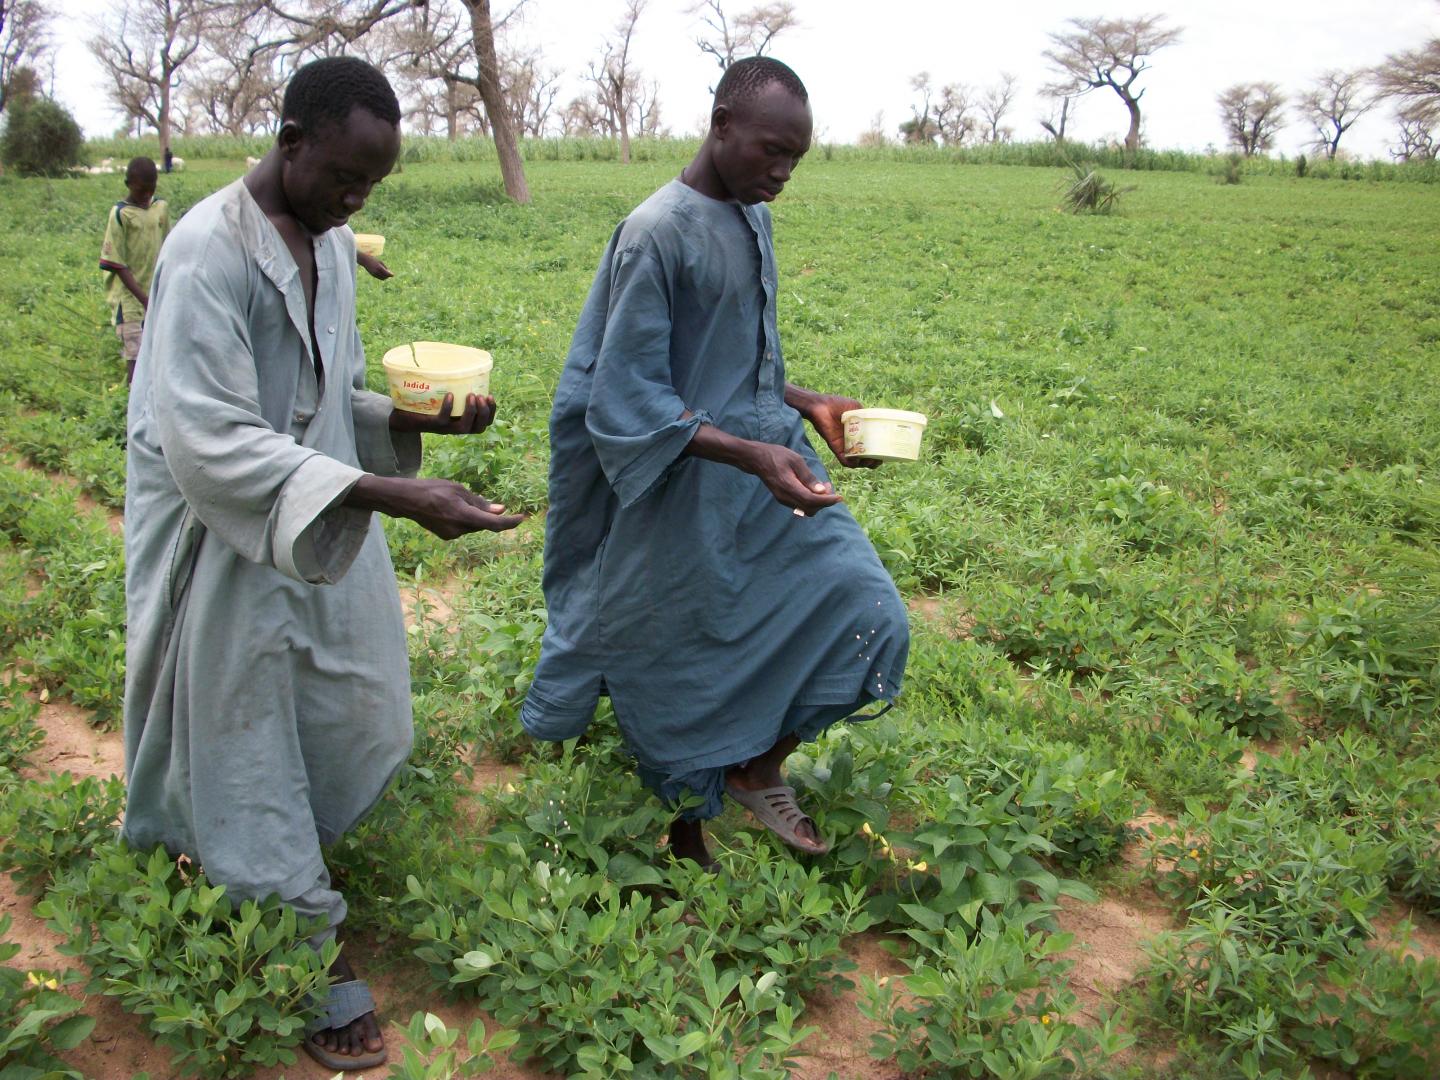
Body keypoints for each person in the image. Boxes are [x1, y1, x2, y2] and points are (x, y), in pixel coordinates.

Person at [122, 56, 523, 1071]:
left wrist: (420, 421)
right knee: (244, 724)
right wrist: (395, 496)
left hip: (316, 507)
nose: (356, 201)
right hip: (218, 523)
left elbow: (325, 401)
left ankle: (245, 846)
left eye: (372, 186)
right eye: (346, 178)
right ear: (291, 141)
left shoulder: (334, 246)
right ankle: (302, 936)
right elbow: (209, 439)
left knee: (364, 708)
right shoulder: (204, 254)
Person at [521, 56, 909, 869]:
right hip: (678, 476)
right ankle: (683, 818)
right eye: (771, 151)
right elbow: (624, 394)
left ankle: (755, 764)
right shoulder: (658, 232)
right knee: (680, 642)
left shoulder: (752, 216)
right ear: (721, 126)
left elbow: (736, 361)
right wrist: (746, 452)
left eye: (795, 159)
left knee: (867, 607)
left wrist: (807, 406)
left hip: (762, 463)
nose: (782, 173)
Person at [98, 156, 169, 382]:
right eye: (141, 190)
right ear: (128, 184)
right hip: (130, 301)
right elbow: (116, 263)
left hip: (157, 293)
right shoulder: (120, 215)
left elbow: (169, 246)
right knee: (135, 356)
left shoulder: (160, 208)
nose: (147, 195)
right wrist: (144, 299)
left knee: (160, 350)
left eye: (151, 189)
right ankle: (134, 409)